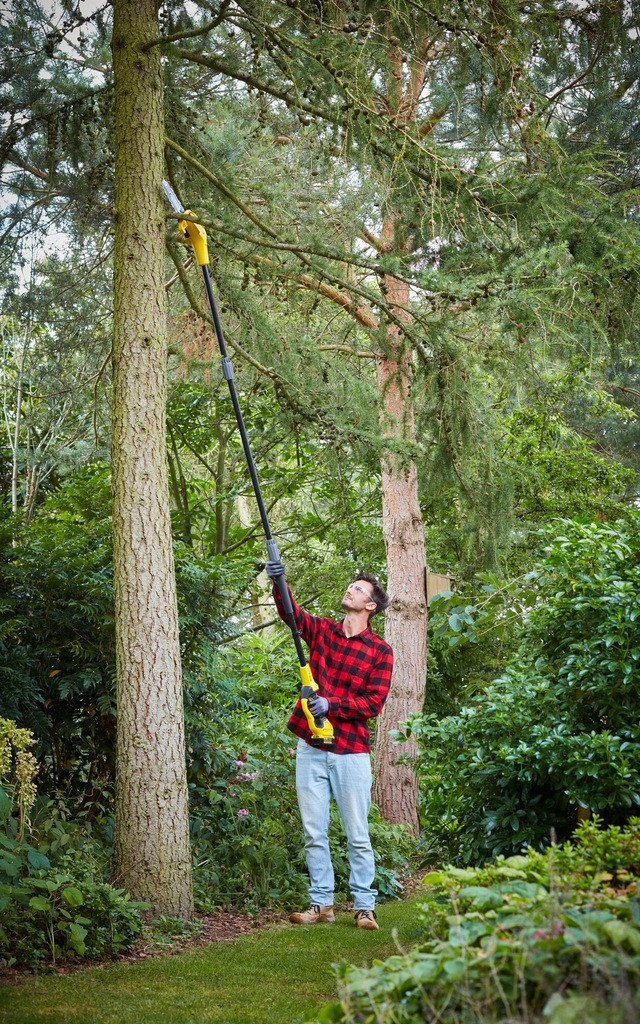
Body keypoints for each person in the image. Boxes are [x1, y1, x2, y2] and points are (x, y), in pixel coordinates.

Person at [265, 561, 393, 931]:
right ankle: (321, 904)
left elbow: (374, 703)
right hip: (312, 747)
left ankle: (365, 906)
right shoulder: (323, 632)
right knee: (314, 831)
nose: (350, 591)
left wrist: (332, 705)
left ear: (370, 606)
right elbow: (292, 615)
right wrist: (279, 580)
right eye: (350, 587)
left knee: (357, 832)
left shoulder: (380, 651)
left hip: (351, 751)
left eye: (357, 590)